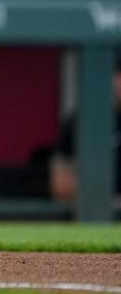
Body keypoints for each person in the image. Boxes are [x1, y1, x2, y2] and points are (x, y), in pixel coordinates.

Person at [49, 56, 121, 203]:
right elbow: (61, 185)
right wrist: (109, 202)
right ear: (113, 78)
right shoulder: (83, 119)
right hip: (94, 216)